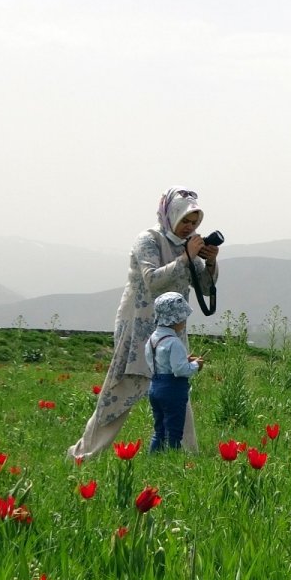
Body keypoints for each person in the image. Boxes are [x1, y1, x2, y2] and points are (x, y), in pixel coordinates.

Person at [67, 187, 219, 460]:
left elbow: (206, 289)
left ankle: (184, 458)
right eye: (185, 220)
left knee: (177, 390)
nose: (190, 227)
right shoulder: (148, 240)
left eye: (194, 222)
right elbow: (152, 280)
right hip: (139, 329)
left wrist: (209, 263)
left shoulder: (189, 247)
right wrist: (185, 258)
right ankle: (83, 455)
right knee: (118, 395)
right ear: (170, 214)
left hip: (173, 330)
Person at [146, 293, 205, 451]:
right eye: (183, 318)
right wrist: (195, 365)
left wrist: (183, 359)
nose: (184, 322)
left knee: (159, 431)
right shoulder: (174, 342)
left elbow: (159, 362)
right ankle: (171, 461)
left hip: (155, 386)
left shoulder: (153, 339)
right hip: (172, 390)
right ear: (174, 319)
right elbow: (180, 370)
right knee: (174, 432)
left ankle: (153, 458)